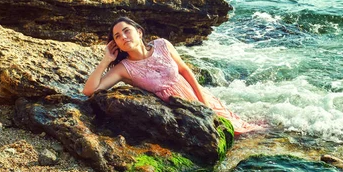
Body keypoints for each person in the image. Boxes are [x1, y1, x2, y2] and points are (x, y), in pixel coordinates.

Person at [83, 17, 261, 135]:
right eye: (117, 36)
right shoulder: (123, 69)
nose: (123, 36)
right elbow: (89, 90)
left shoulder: (162, 45)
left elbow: (185, 71)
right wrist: (106, 60)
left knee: (246, 130)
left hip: (199, 97)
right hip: (181, 111)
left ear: (139, 32)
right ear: (117, 45)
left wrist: (205, 106)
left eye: (126, 31)